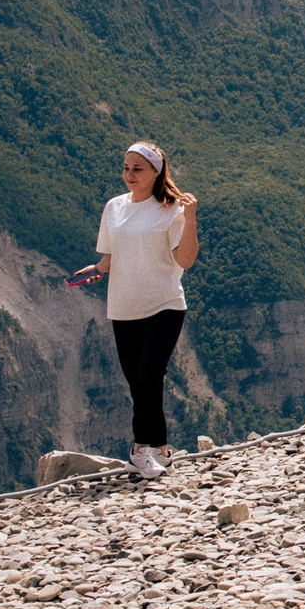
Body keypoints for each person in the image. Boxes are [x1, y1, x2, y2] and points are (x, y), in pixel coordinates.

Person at [80, 141, 199, 481]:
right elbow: (109, 257)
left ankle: (139, 451)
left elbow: (185, 260)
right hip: (123, 306)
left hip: (163, 304)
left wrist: (189, 219)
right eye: (126, 168)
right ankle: (161, 449)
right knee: (140, 382)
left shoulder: (172, 209)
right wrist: (94, 271)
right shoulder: (113, 208)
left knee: (148, 375)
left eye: (138, 169)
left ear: (156, 172)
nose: (129, 175)